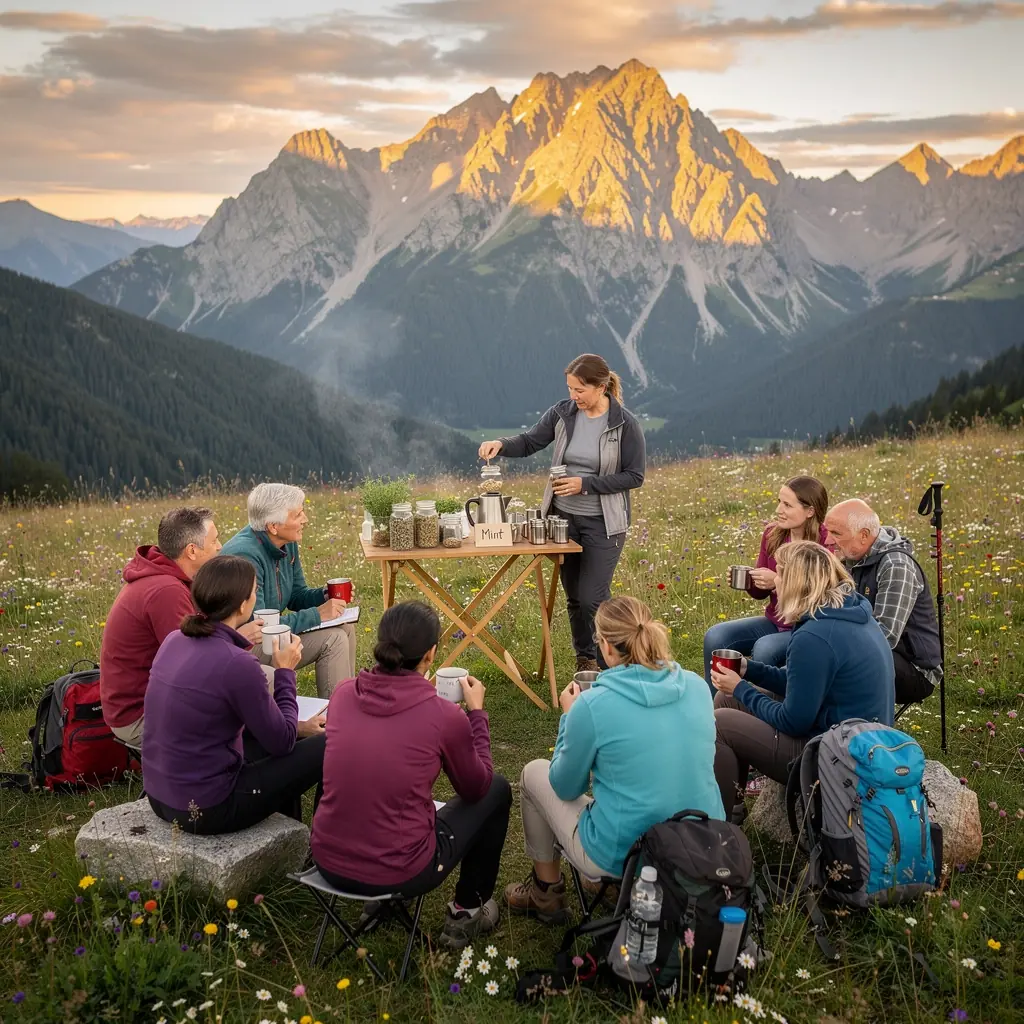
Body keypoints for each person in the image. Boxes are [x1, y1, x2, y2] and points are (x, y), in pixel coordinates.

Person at [505, 596, 724, 924]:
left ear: (606, 647)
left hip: (627, 851)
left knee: (532, 773)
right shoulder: (696, 685)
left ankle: (546, 892)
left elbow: (565, 787)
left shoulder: (592, 705)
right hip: (703, 842)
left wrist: (569, 717)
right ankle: (611, 886)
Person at [311, 601, 511, 951]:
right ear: (431, 654)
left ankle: (378, 904)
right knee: (496, 788)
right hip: (401, 868)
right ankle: (467, 910)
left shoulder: (343, 694)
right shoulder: (443, 716)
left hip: (327, 860)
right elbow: (475, 787)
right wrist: (477, 714)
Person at [478, 353, 646, 672]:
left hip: (604, 524)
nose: (573, 396)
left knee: (593, 598)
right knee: (573, 596)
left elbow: (634, 476)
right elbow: (530, 442)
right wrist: (500, 444)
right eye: (569, 388)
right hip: (562, 521)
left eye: (579, 390)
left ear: (601, 387)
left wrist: (585, 484)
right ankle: (585, 659)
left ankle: (608, 664)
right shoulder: (562, 412)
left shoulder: (624, 424)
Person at [143, 555, 328, 833]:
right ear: (243, 604)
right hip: (208, 808)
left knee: (265, 741)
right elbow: (283, 742)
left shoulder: (174, 640)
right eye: (255, 591)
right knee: (330, 744)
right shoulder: (237, 663)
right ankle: (328, 844)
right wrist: (285, 672)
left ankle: (289, 833)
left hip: (160, 797)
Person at [711, 541, 894, 817]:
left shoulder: (814, 637)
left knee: (721, 724)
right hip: (861, 742)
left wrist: (742, 689)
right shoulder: (846, 612)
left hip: (839, 760)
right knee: (726, 698)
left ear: (797, 582)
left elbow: (793, 721)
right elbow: (803, 683)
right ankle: (734, 803)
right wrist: (750, 670)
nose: (776, 582)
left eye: (781, 574)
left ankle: (718, 827)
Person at [100, 506, 261, 751]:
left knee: (252, 672)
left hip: (146, 702)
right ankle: (272, 751)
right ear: (192, 551)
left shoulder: (167, 578)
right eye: (214, 540)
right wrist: (236, 637)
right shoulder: (167, 591)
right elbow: (195, 666)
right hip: (140, 716)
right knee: (261, 678)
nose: (220, 547)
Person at [222, 483, 356, 698]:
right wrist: (318, 614)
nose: (305, 519)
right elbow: (262, 628)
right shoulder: (244, 557)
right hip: (244, 647)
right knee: (334, 639)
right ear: (273, 526)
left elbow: (295, 596)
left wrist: (324, 595)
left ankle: (347, 706)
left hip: (269, 637)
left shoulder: (285, 542)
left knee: (345, 628)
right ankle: (335, 722)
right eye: (298, 514)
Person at [702, 476, 829, 689]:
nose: (779, 509)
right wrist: (752, 582)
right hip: (775, 620)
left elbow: (822, 596)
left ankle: (759, 714)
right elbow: (762, 593)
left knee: (765, 647)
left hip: (809, 627)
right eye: (779, 501)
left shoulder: (826, 542)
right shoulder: (773, 534)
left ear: (810, 511)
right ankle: (715, 712)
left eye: (787, 505)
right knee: (716, 636)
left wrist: (779, 581)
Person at [824, 499, 942, 706]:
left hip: (913, 668)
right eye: (828, 532)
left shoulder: (896, 565)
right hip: (871, 650)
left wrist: (833, 648)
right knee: (812, 650)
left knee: (828, 663)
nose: (827, 540)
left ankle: (841, 731)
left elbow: (884, 636)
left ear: (863, 535)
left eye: (836, 533)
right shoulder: (852, 555)